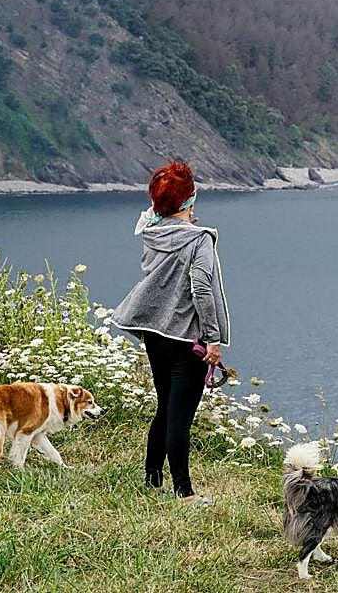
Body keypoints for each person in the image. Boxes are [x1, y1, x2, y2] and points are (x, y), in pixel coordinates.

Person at [112, 159, 231, 505]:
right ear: (189, 201)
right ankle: (185, 493)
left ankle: (152, 478)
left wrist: (177, 216)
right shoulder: (198, 241)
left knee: (165, 407)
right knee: (180, 419)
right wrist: (213, 340)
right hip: (186, 339)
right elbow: (202, 290)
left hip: (154, 334)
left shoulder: (152, 233)